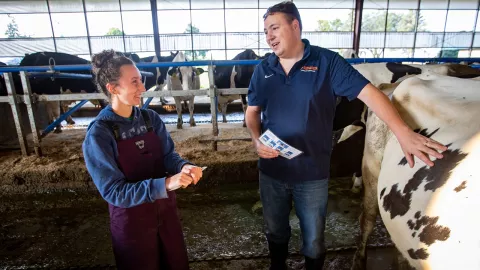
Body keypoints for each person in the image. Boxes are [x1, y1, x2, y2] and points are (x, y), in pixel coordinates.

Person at [245, 2, 447, 270]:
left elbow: (371, 94)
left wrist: (402, 132)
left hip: (312, 174)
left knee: (314, 239)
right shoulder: (264, 68)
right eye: (265, 30)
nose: (268, 36)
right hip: (271, 170)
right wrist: (256, 140)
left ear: (295, 26)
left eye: (274, 28)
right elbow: (252, 112)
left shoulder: (327, 63)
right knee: (275, 230)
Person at [82, 49, 203, 270]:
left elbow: (169, 157)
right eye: (135, 82)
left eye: (141, 80)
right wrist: (166, 184)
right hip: (132, 226)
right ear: (113, 88)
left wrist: (184, 166)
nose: (143, 88)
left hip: (165, 217)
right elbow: (113, 192)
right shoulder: (100, 133)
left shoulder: (151, 119)